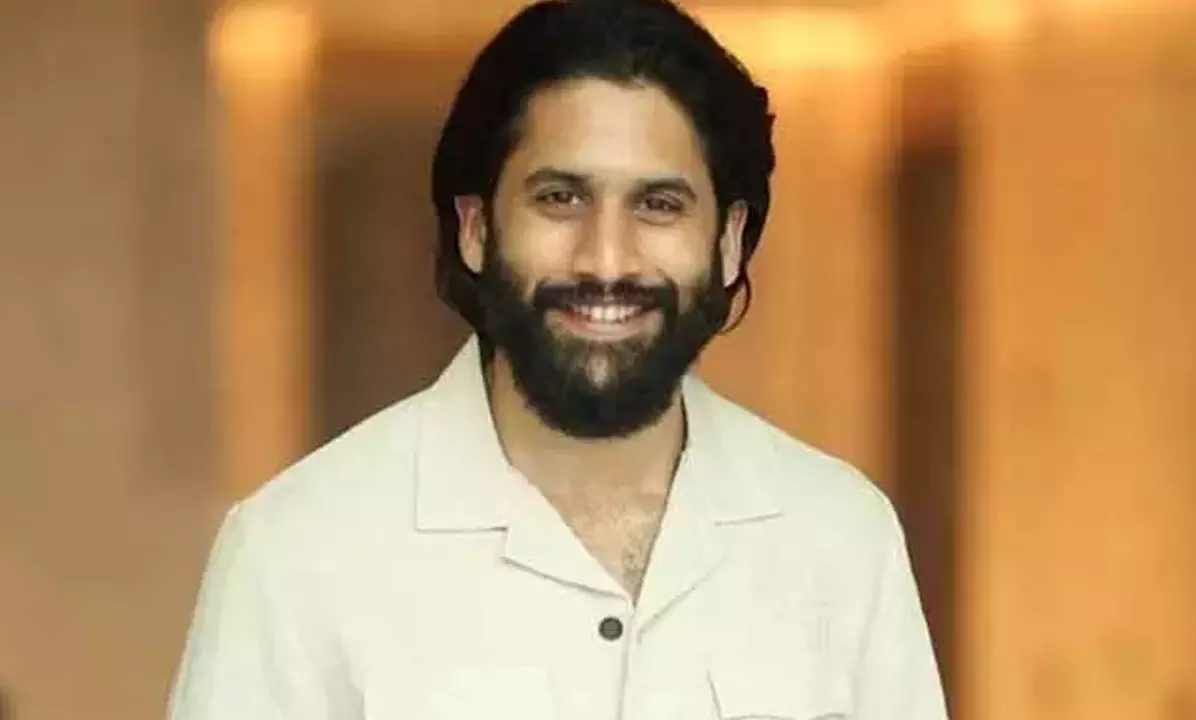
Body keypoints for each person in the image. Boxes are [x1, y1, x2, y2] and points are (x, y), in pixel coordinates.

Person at [168, 0, 948, 718]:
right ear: (476, 230)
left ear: (729, 242)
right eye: (560, 198)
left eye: (658, 205)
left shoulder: (839, 538)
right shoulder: (297, 553)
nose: (606, 258)